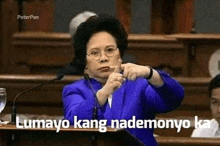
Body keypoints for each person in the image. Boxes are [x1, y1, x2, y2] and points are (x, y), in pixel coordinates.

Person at [62, 14, 184, 145]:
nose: (103, 58)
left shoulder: (139, 86)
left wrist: (150, 73)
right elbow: (73, 122)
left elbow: (174, 98)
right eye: (95, 53)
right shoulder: (74, 90)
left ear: (120, 54)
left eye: (109, 50)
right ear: (85, 61)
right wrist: (104, 93)